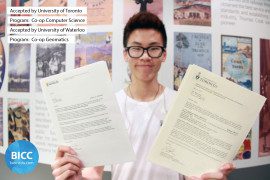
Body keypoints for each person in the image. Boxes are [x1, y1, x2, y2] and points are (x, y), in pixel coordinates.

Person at [51, 12, 235, 180]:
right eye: (137, 48)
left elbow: (189, 172)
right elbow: (94, 171)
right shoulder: (108, 106)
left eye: (153, 48)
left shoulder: (182, 104)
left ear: (163, 55)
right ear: (125, 54)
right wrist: (78, 177)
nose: (145, 56)